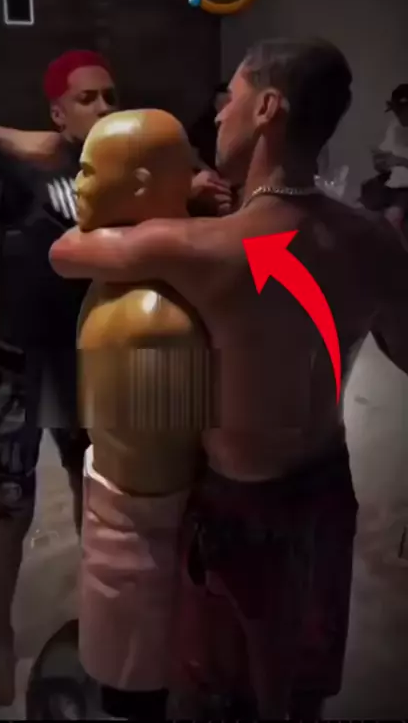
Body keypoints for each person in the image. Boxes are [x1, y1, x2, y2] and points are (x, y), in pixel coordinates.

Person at [49, 37, 408, 720]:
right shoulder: (374, 240)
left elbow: (69, 251)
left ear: (268, 109)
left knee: (215, 695)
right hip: (327, 490)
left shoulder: (205, 248)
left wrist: (181, 205)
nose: (218, 115)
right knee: (300, 687)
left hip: (241, 509)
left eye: (232, 100)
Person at [0, 51, 233, 708]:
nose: (103, 108)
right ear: (57, 113)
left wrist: (194, 194)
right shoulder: (27, 163)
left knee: (92, 496)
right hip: (14, 362)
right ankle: (0, 637)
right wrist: (8, 139)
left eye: (110, 96)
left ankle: (96, 621)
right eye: (87, 98)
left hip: (82, 362)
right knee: (12, 512)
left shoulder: (121, 174)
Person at [368, 84, 408, 231]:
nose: (397, 116)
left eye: (401, 111)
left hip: (405, 191)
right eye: (396, 111)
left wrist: (400, 161)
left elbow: (398, 159)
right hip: (394, 185)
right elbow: (387, 153)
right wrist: (381, 163)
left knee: (393, 218)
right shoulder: (395, 127)